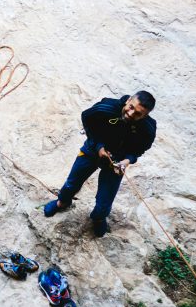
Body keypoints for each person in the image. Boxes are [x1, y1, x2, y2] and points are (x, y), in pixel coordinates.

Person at [44, 91, 157, 237]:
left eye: (137, 114)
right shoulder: (106, 107)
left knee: (105, 200)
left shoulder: (148, 129)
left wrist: (126, 161)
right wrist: (99, 147)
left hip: (117, 161)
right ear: (128, 100)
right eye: (131, 107)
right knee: (72, 183)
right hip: (92, 151)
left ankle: (98, 217)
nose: (130, 114)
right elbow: (87, 120)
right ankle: (63, 202)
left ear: (145, 116)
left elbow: (140, 150)